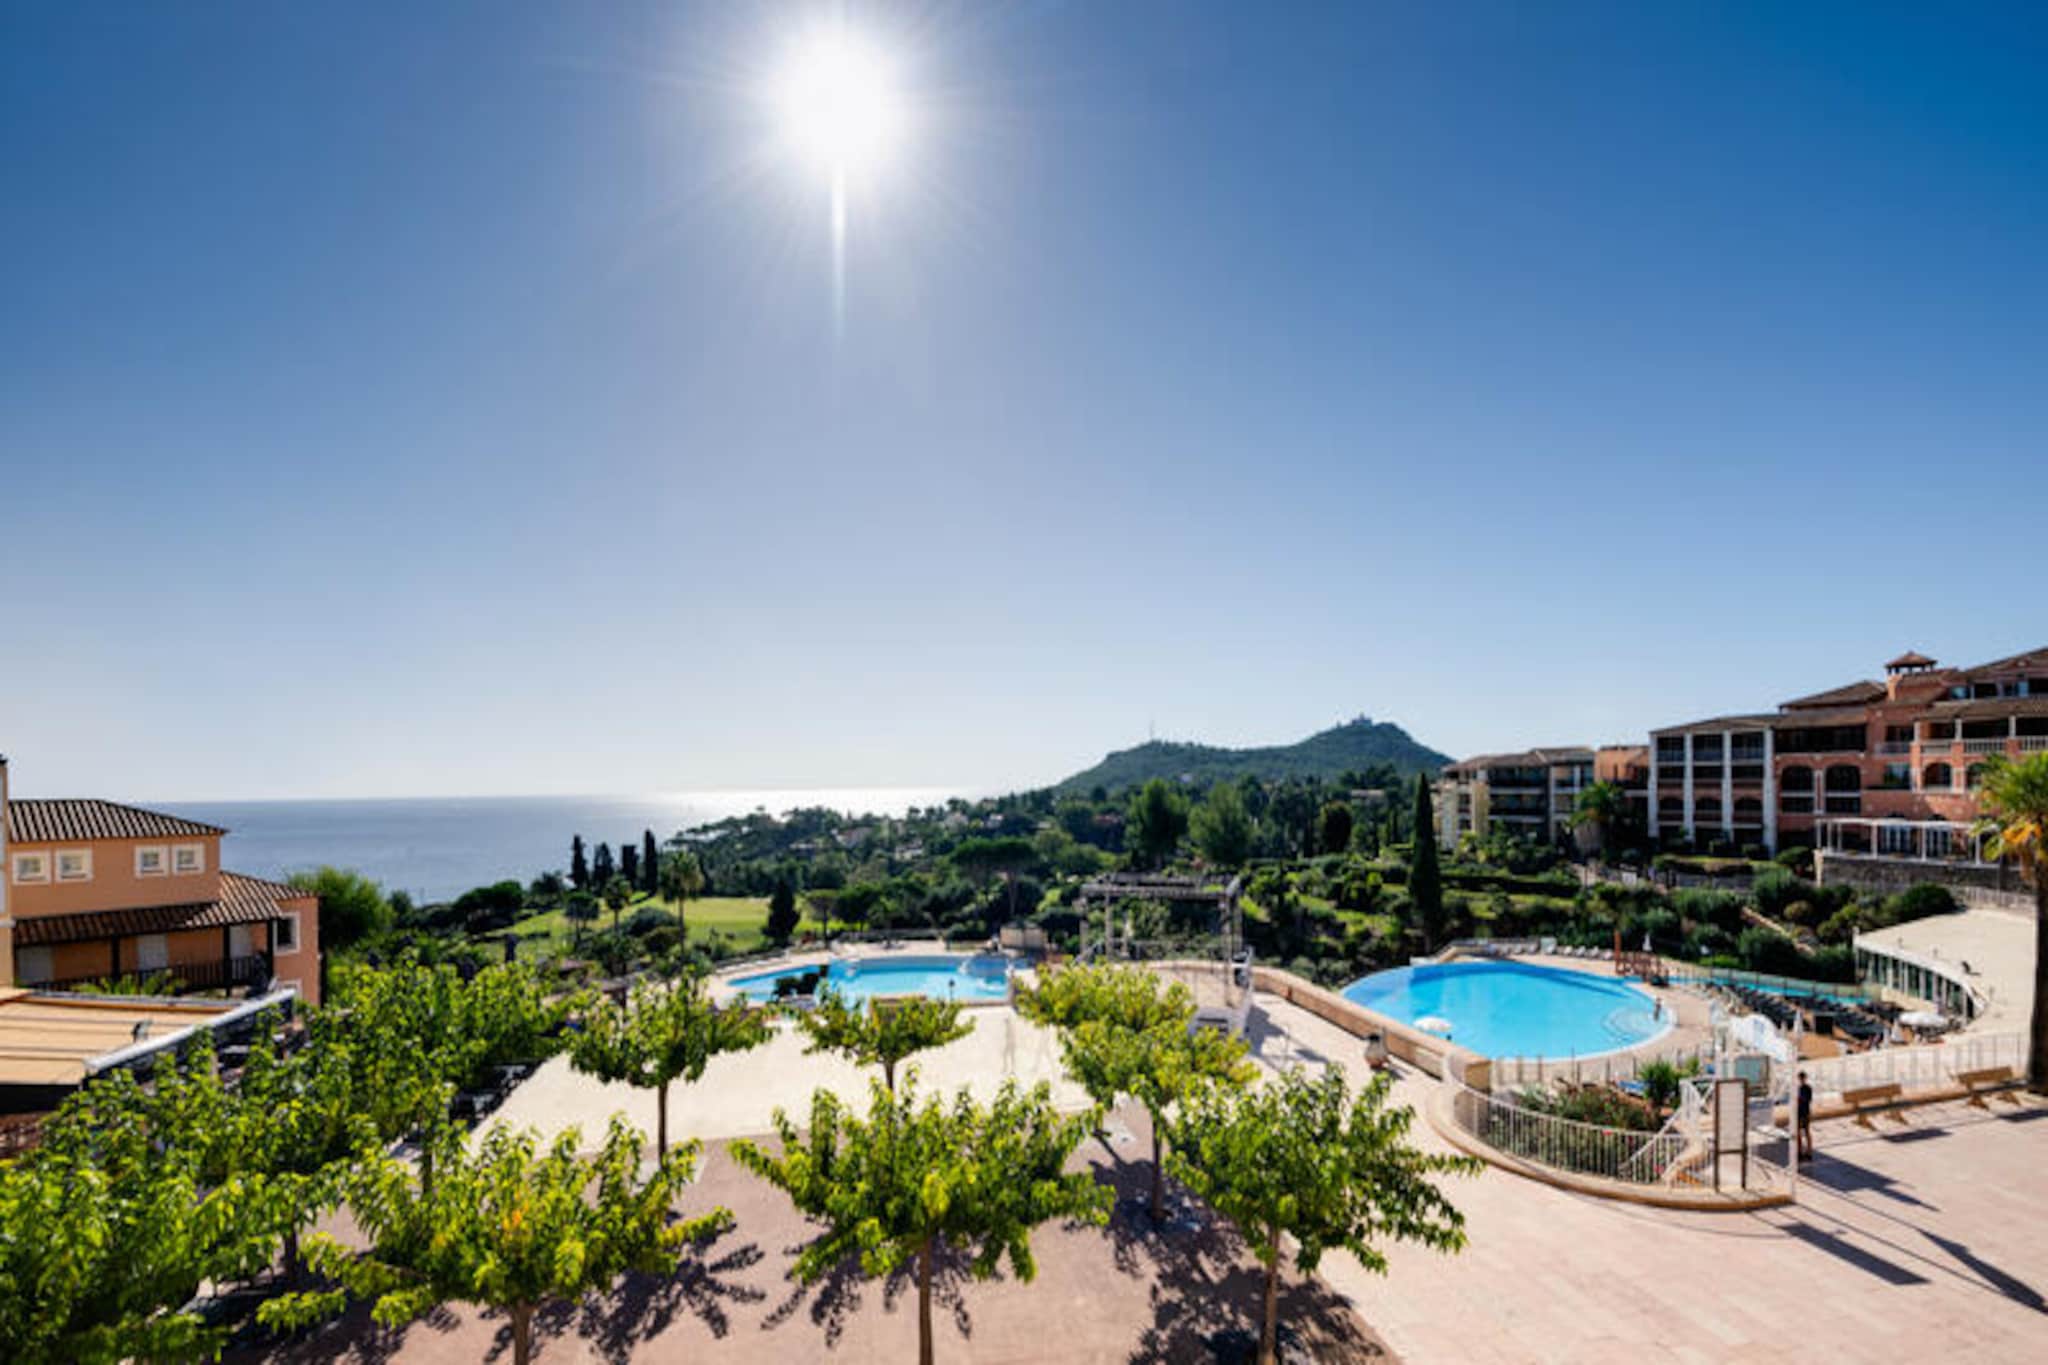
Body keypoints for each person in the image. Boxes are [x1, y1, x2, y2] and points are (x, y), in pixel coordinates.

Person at [1796, 1070, 1815, 1161]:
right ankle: (1800, 1151)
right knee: (1798, 1133)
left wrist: (1799, 1099)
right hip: (1800, 1112)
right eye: (1800, 1078)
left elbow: (1808, 1100)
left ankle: (1809, 1151)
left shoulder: (1807, 1088)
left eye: (1802, 1078)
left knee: (1806, 1132)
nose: (1801, 1080)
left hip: (1805, 1112)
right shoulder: (1799, 1088)